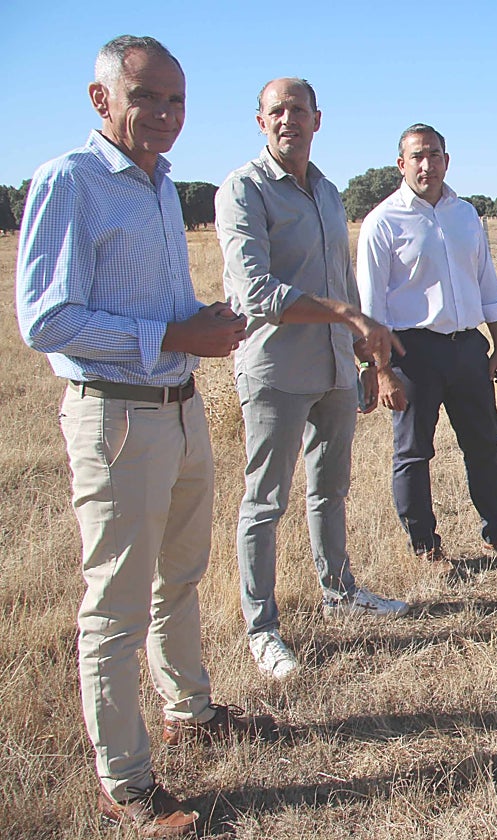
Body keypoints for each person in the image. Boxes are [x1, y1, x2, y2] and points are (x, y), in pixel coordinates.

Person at [15, 35, 273, 838]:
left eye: (176, 99)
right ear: (101, 99)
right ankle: (124, 783)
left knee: (179, 576)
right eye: (146, 97)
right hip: (118, 415)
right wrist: (173, 335)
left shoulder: (160, 184)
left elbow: (148, 304)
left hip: (179, 408)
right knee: (117, 604)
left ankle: (189, 711)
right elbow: (45, 319)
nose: (165, 113)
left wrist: (198, 321)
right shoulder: (71, 180)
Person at [215, 78, 410, 681]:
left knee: (330, 489)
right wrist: (348, 316)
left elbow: (341, 281)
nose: (287, 120)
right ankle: (262, 629)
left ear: (317, 119)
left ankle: (340, 591)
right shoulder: (243, 190)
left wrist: (368, 359)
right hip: (276, 369)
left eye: (297, 110)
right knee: (265, 501)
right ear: (260, 121)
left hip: (333, 369)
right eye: (276, 111)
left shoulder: (326, 191)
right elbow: (256, 292)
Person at [356, 124, 497, 569]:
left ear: (447, 160)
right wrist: (383, 372)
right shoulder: (383, 222)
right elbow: (371, 309)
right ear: (401, 165)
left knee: (485, 445)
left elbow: (487, 285)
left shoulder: (465, 215)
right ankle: (425, 547)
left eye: (434, 155)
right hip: (411, 353)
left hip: (468, 349)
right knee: (414, 452)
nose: (427, 165)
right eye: (417, 157)